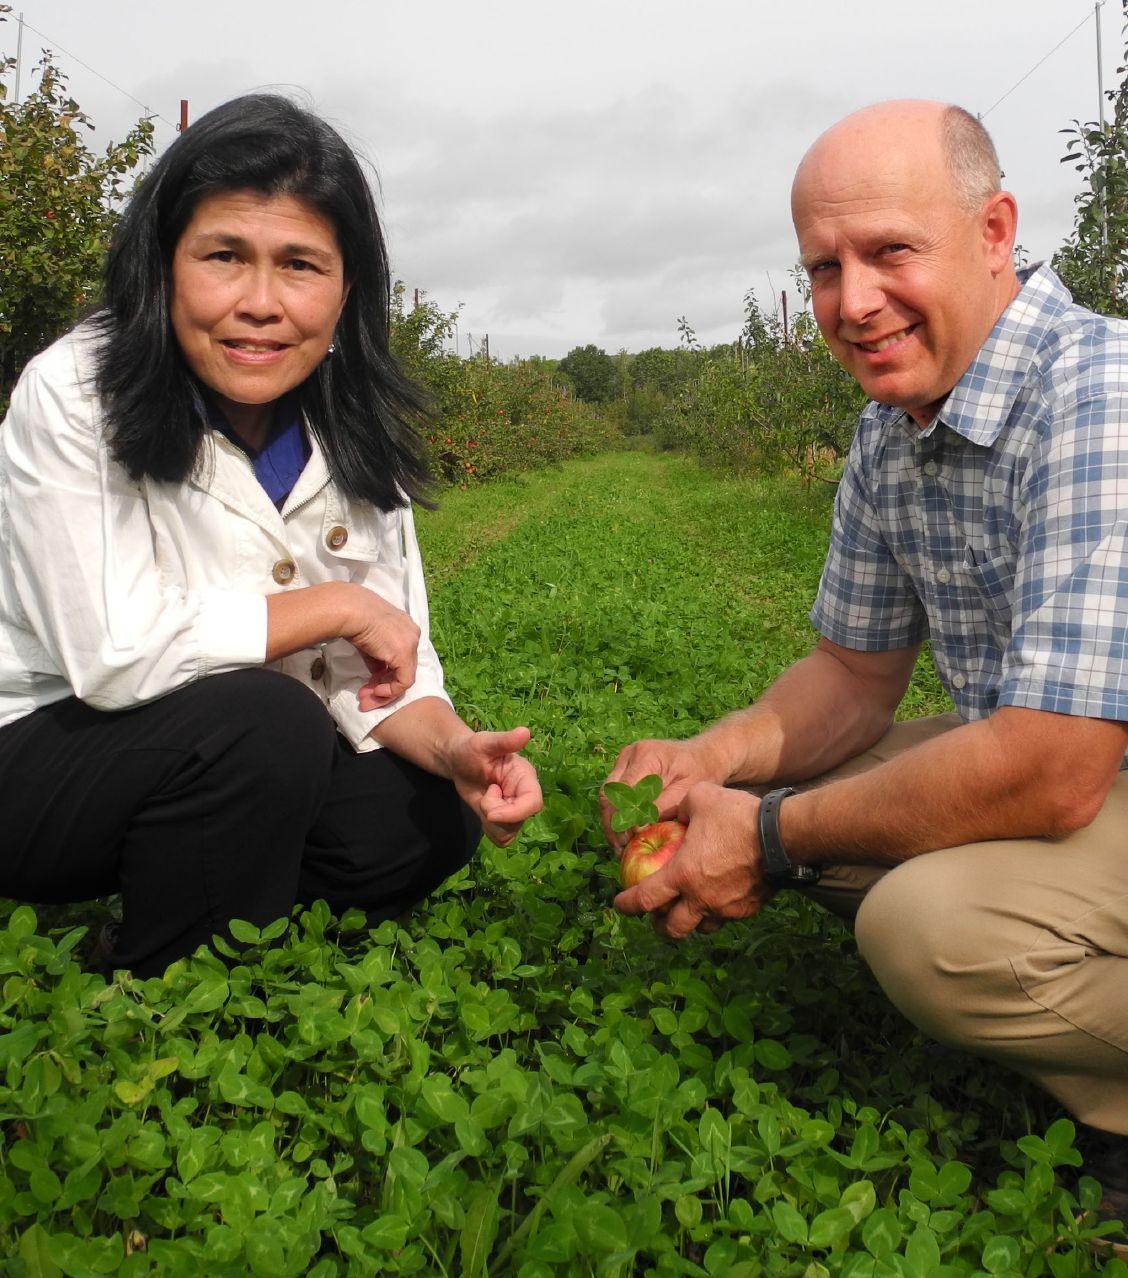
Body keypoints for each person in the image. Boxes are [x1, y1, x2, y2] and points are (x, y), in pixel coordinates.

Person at [603, 100, 1128, 1207]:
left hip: (1084, 761)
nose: (852, 302)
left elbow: (1053, 766)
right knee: (796, 791)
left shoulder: (1099, 396)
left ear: (994, 232)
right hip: (1081, 761)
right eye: (823, 268)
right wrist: (714, 763)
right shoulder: (895, 430)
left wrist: (769, 840)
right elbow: (852, 675)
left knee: (928, 927)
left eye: (892, 250)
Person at [0, 93, 542, 979]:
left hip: (229, 754)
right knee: (264, 718)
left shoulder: (350, 426)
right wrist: (335, 606)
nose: (260, 303)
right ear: (163, 266)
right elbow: (110, 655)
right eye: (224, 257)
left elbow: (384, 668)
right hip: (41, 751)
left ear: (346, 288)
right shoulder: (76, 393)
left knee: (422, 817)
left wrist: (457, 752)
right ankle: (168, 979)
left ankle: (211, 881)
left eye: (300, 265)